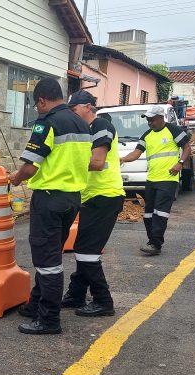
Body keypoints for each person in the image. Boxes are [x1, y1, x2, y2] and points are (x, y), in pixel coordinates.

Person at [8, 78, 92, 335]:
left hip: (49, 198)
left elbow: (31, 165)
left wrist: (16, 177)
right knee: (51, 254)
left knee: (48, 261)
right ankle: (36, 304)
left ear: (42, 101)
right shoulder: (82, 123)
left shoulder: (47, 123)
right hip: (72, 199)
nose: (38, 110)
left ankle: (48, 319)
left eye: (37, 106)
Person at [60, 90, 125, 317]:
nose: (72, 114)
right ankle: (76, 294)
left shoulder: (101, 126)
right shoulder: (85, 130)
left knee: (87, 250)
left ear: (87, 107)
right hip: (92, 197)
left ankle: (103, 301)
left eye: (74, 110)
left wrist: (63, 166)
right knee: (84, 248)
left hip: (105, 196)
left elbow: (97, 163)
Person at [120, 105, 190, 255]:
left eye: (152, 120)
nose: (150, 123)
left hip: (168, 179)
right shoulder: (147, 135)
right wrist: (122, 159)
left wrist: (180, 163)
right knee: (148, 214)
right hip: (152, 179)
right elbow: (136, 153)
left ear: (161, 118)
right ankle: (152, 241)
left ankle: (155, 244)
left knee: (161, 213)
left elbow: (186, 147)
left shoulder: (172, 130)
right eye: (148, 120)